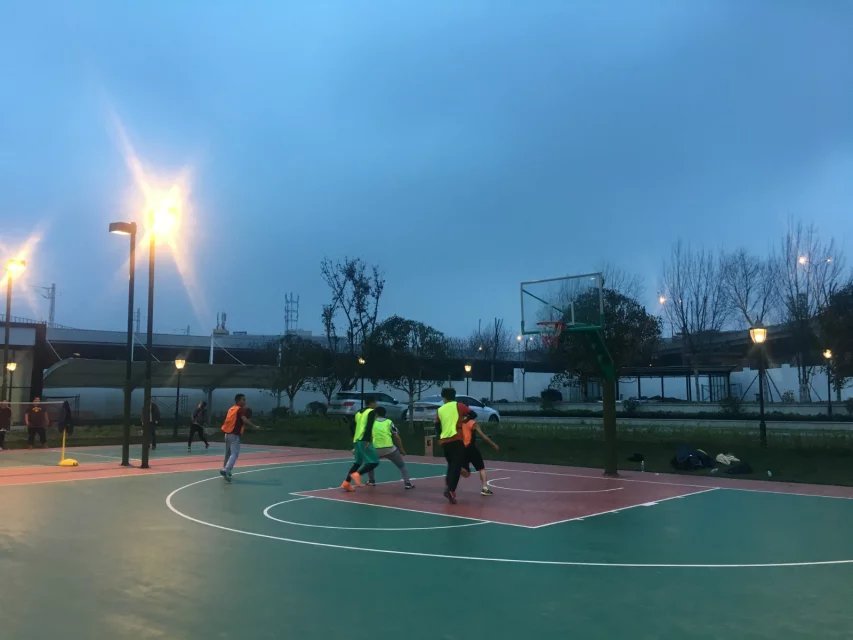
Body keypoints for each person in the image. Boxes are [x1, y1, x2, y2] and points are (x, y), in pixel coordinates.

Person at [434, 388, 470, 504]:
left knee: (451, 465)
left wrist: (439, 438)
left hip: (445, 441)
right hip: (457, 439)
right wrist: (464, 421)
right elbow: (473, 414)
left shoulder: (440, 409)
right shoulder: (460, 406)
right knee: (456, 466)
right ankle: (450, 489)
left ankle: (448, 487)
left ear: (444, 397)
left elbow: (437, 426)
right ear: (454, 396)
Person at [340, 396, 379, 492]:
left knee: (357, 463)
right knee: (374, 462)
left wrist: (354, 436)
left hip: (356, 440)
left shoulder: (358, 413)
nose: (376, 404)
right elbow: (369, 426)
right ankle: (357, 474)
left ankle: (346, 483)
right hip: (364, 440)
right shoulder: (371, 412)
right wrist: (368, 440)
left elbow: (351, 425)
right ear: (372, 403)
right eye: (375, 402)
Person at [219, 393, 262, 482]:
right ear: (238, 401)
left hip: (227, 434)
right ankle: (226, 469)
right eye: (243, 399)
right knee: (234, 454)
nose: (245, 401)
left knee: (228, 454)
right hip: (234, 435)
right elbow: (244, 419)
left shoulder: (231, 409)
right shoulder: (240, 409)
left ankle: (225, 470)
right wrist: (254, 426)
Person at [371, 407, 414, 490]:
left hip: (376, 449)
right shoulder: (389, 422)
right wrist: (401, 449)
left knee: (370, 464)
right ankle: (407, 483)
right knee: (402, 466)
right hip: (390, 449)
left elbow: (368, 437)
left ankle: (371, 481)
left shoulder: (372, 423)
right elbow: (396, 437)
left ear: (376, 414)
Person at [460, 410, 499, 496]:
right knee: (481, 468)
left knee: (466, 473)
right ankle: (485, 488)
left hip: (462, 449)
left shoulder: (459, 423)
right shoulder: (473, 423)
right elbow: (483, 436)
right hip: (471, 448)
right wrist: (493, 444)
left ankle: (457, 468)